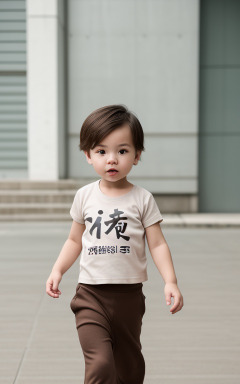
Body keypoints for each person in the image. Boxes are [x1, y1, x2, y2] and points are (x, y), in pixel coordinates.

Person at [46, 104, 184, 384]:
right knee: (100, 363)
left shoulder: (142, 199)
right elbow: (74, 240)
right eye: (101, 151)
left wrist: (170, 281)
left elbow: (157, 244)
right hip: (90, 296)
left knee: (129, 365)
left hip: (129, 298)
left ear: (137, 155)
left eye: (122, 151)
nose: (112, 159)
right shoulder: (84, 196)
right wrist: (57, 270)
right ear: (88, 155)